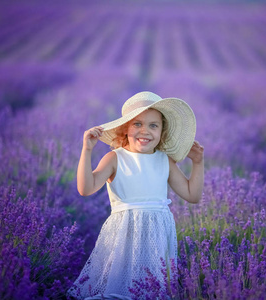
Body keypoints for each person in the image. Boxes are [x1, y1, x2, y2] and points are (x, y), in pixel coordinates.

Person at [68, 91, 204, 300]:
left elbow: (192, 195)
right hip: (125, 231)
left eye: (153, 125)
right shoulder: (115, 158)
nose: (145, 131)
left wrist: (197, 163)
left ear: (162, 132)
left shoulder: (164, 160)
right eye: (137, 124)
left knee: (151, 288)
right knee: (120, 286)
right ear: (125, 129)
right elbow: (86, 188)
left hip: (157, 233)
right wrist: (86, 150)